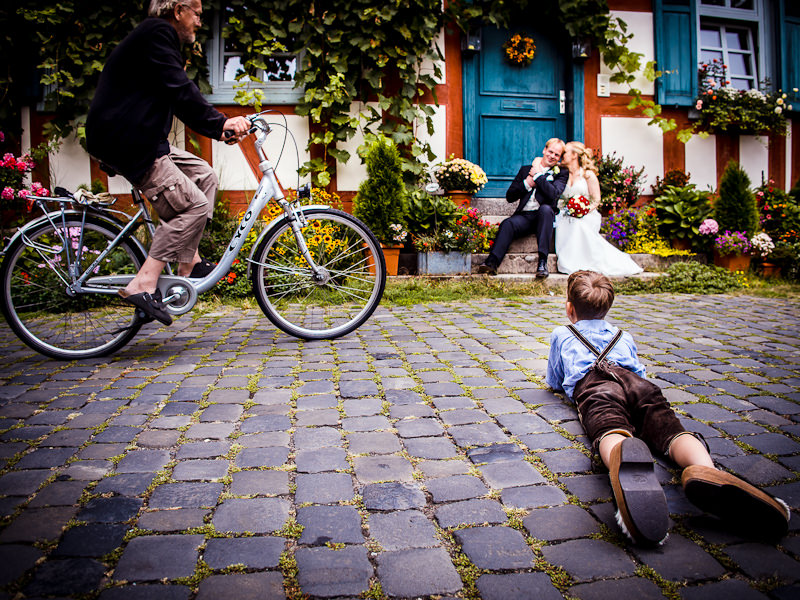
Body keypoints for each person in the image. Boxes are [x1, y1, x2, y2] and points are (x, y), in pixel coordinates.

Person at [546, 271, 790, 546]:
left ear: (569, 308)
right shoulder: (621, 335)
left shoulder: (563, 334)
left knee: (608, 424)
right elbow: (638, 369)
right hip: (637, 384)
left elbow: (555, 378)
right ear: (608, 306)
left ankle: (620, 452)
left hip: (596, 387)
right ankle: (705, 468)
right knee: (668, 427)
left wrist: (559, 387)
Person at [86, 0, 250, 325]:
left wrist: (217, 128)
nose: (199, 22)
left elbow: (180, 99)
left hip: (142, 138)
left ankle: (187, 264)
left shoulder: (158, 40)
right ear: (178, 11)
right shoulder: (157, 33)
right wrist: (221, 123)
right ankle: (143, 284)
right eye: (198, 15)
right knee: (194, 206)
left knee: (204, 176)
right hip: (129, 141)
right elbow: (181, 90)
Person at [478, 138, 568, 278]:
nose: (552, 156)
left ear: (559, 158)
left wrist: (538, 176)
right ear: (544, 150)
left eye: (556, 155)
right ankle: (492, 263)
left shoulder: (560, 173)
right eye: (550, 151)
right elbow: (510, 196)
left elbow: (553, 194)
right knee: (508, 223)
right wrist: (527, 183)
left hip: (544, 218)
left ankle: (542, 264)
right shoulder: (526, 170)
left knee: (545, 209)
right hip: (525, 216)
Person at [555, 141, 642, 276]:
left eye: (565, 152)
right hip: (565, 214)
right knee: (567, 223)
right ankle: (570, 259)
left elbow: (596, 200)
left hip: (586, 214)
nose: (561, 155)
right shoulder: (561, 174)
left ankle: (581, 262)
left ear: (574, 155)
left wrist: (581, 210)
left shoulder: (588, 175)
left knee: (578, 225)